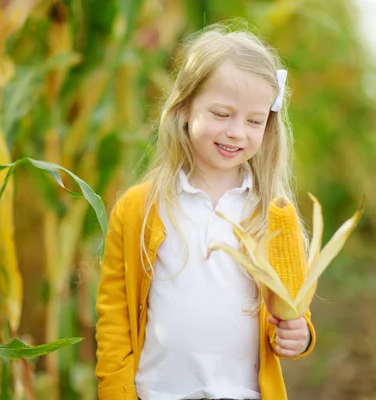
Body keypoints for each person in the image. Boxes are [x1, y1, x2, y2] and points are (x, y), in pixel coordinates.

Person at [95, 21, 315, 400]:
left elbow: (291, 308)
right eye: (221, 113)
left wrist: (300, 334)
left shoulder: (272, 216)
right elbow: (114, 319)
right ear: (183, 108)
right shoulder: (139, 209)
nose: (236, 132)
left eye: (253, 121)